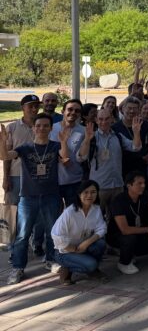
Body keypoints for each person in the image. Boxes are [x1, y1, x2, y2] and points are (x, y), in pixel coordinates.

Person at [1, 114, 62, 285]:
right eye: (38, 126)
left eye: (45, 126)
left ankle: (50, 259)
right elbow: (4, 157)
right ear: (33, 128)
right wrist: (2, 142)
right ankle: (18, 267)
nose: (41, 128)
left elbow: (65, 158)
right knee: (22, 235)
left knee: (52, 232)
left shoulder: (55, 146)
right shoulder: (25, 148)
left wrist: (63, 142)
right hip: (28, 197)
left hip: (51, 195)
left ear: (50, 128)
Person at [77, 109, 142, 215]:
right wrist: (87, 140)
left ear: (112, 119)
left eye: (107, 119)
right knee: (95, 215)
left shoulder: (118, 136)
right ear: (96, 120)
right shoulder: (91, 137)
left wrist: (136, 133)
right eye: (101, 119)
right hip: (99, 186)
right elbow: (81, 157)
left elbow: (136, 147)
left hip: (117, 185)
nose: (104, 122)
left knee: (116, 217)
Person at [107, 171, 148, 274]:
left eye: (144, 183)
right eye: (139, 183)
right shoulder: (119, 201)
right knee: (130, 238)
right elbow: (125, 230)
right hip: (118, 235)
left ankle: (130, 254)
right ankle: (123, 262)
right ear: (129, 185)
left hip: (137, 231)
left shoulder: (144, 195)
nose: (143, 186)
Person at [51, 180, 108, 285]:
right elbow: (56, 234)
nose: (89, 195)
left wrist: (87, 243)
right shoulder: (70, 212)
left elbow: (102, 228)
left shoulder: (96, 209)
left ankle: (91, 269)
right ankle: (66, 268)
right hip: (65, 251)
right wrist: (72, 248)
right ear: (79, 194)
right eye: (86, 192)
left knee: (100, 244)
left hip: (83, 246)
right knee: (91, 264)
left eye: (93, 192)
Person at [53, 99, 87, 207]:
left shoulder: (84, 131)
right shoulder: (51, 128)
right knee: (55, 216)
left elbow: (83, 155)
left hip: (74, 181)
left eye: (77, 111)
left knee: (73, 214)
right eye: (70, 109)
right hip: (54, 180)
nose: (73, 113)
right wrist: (61, 159)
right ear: (63, 111)